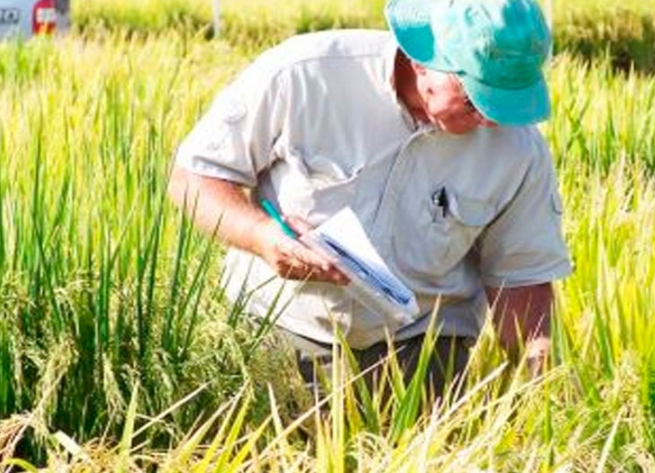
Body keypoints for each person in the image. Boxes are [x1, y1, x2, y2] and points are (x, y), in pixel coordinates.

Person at [167, 0, 572, 402]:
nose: (491, 118)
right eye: (474, 99)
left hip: (425, 349)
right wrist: (262, 236)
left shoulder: (519, 149)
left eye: (506, 102)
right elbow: (194, 177)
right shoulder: (302, 75)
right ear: (423, 61)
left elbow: (522, 280)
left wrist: (542, 385)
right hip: (278, 332)